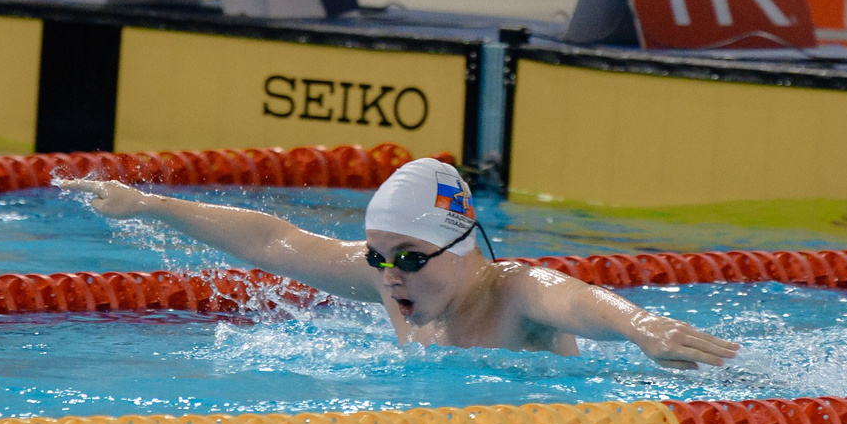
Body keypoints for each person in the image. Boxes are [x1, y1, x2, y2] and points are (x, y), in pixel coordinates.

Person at [67, 157, 739, 366]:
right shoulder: (392, 281)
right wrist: (146, 203)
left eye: (411, 256)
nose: (391, 273)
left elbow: (577, 299)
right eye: (378, 255)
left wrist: (641, 325)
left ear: (462, 243)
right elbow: (272, 241)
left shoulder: (510, 293)